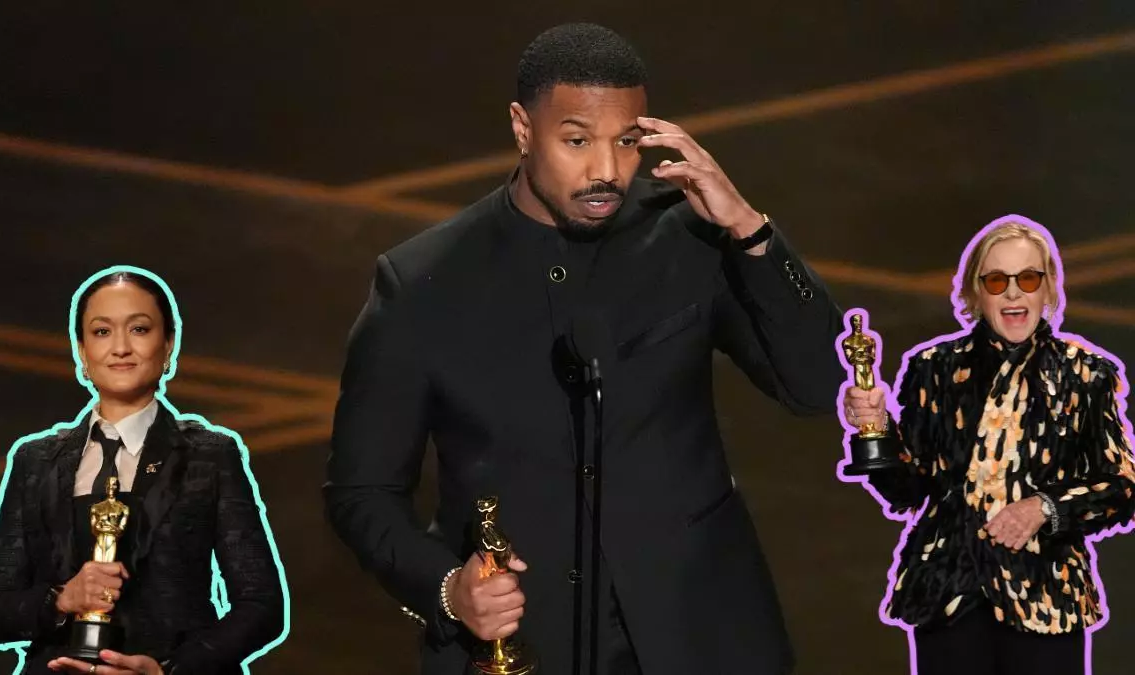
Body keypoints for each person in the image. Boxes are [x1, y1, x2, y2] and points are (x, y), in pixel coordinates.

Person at [324, 22, 845, 675]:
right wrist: (450, 589)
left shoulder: (688, 235)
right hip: (527, 645)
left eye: (626, 142)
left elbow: (820, 382)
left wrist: (749, 230)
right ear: (522, 128)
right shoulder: (422, 284)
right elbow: (362, 491)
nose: (607, 171)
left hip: (703, 635)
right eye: (577, 141)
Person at [842, 217, 1135, 675]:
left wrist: (1045, 508)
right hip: (950, 595)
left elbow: (1121, 486)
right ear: (975, 294)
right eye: (997, 281)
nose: (1013, 293)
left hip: (1047, 598)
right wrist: (875, 429)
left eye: (1028, 279)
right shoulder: (934, 369)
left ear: (1048, 288)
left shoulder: (1086, 376)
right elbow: (908, 490)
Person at [0, 267, 288, 675]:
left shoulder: (211, 455)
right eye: (102, 332)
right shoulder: (35, 460)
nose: (120, 347)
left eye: (139, 329)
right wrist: (62, 598)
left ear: (168, 344)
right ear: (81, 351)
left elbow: (262, 605)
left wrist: (167, 670)